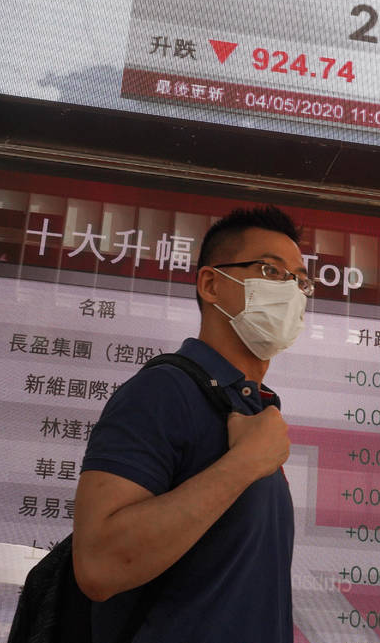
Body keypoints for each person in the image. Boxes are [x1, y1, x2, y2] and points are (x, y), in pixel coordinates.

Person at [71, 205, 309, 642]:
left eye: (299, 279)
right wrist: (244, 464)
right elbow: (99, 566)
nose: (291, 291)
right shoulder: (164, 392)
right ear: (212, 283)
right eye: (271, 271)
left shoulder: (256, 414)